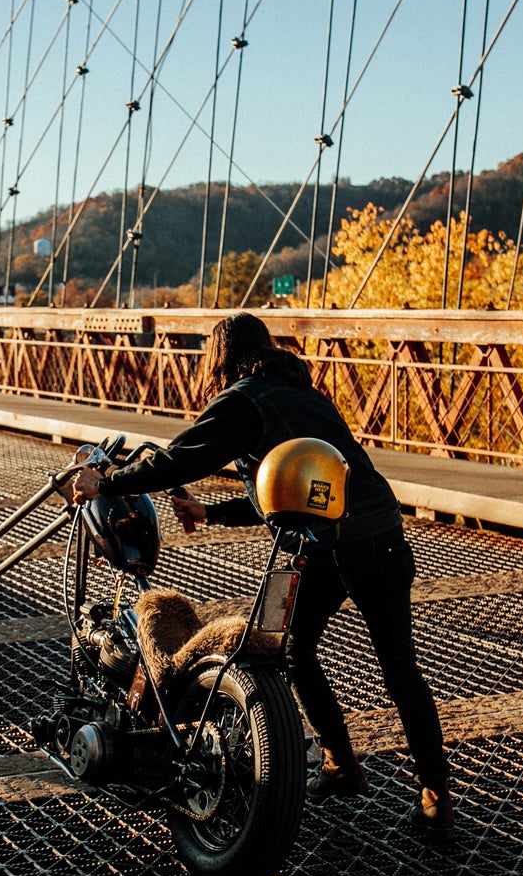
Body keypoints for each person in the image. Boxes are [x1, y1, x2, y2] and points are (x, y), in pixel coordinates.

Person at [71, 313, 454, 838]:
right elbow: (284, 493)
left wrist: (108, 482)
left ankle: (342, 763)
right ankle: (434, 797)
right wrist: (210, 515)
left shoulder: (241, 400)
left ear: (220, 358)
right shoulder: (310, 399)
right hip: (381, 535)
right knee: (400, 671)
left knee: (288, 651)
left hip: (322, 551)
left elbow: (179, 460)